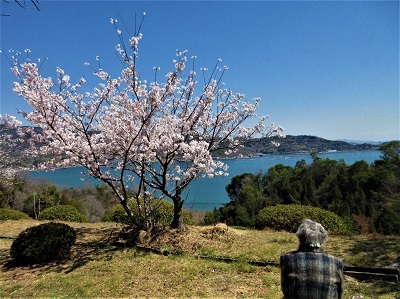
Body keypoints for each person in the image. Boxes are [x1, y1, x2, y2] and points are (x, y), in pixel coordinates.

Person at [280, 219, 344, 299]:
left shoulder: (287, 259)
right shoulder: (336, 262)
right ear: (323, 239)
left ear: (300, 237)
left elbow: (285, 289)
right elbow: (340, 292)